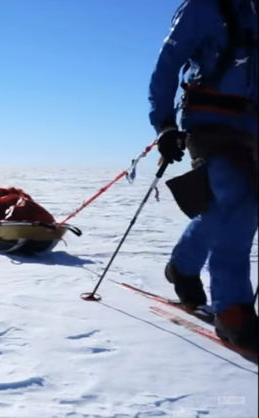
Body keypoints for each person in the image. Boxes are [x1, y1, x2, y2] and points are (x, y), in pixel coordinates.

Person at [149, 0, 257, 350]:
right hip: (210, 123)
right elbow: (167, 66)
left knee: (227, 207)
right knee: (237, 201)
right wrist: (164, 124)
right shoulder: (204, 7)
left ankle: (182, 266)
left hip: (252, 129)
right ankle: (232, 309)